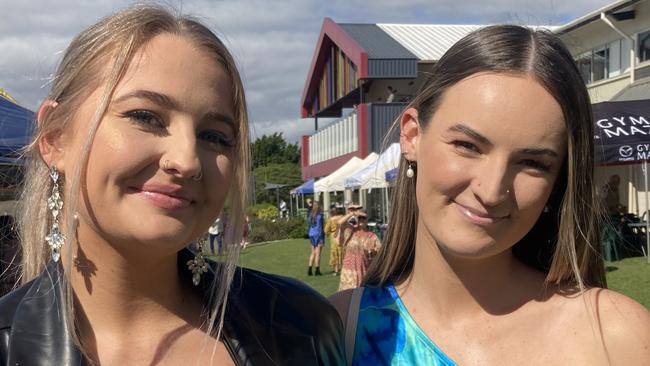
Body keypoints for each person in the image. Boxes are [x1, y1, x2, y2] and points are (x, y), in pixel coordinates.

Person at [0, 6, 345, 365]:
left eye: (214, 136)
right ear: (56, 138)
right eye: (145, 117)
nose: (188, 160)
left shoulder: (300, 325)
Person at [330, 25, 650, 365]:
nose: (493, 190)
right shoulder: (334, 334)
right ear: (411, 136)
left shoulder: (614, 336)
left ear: (558, 181)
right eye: (467, 146)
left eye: (531, 163)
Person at [337, 210, 381, 291]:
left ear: (367, 220)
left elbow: (379, 252)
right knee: (346, 297)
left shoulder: (372, 236)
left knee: (358, 298)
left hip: (362, 271)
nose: (361, 220)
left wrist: (371, 252)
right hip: (348, 271)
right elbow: (340, 223)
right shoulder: (351, 230)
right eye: (360, 218)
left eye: (364, 218)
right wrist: (353, 213)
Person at [307, 200, 325, 276]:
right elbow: (321, 227)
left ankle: (310, 270)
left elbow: (309, 226)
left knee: (312, 252)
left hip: (311, 234)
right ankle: (317, 270)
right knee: (318, 253)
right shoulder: (320, 216)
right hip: (318, 235)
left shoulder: (310, 215)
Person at [325, 206, 343, 275]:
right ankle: (342, 269)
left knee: (334, 252)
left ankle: (336, 270)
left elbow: (326, 230)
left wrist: (328, 233)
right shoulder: (342, 217)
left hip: (334, 236)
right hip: (342, 235)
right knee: (342, 251)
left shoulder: (331, 220)